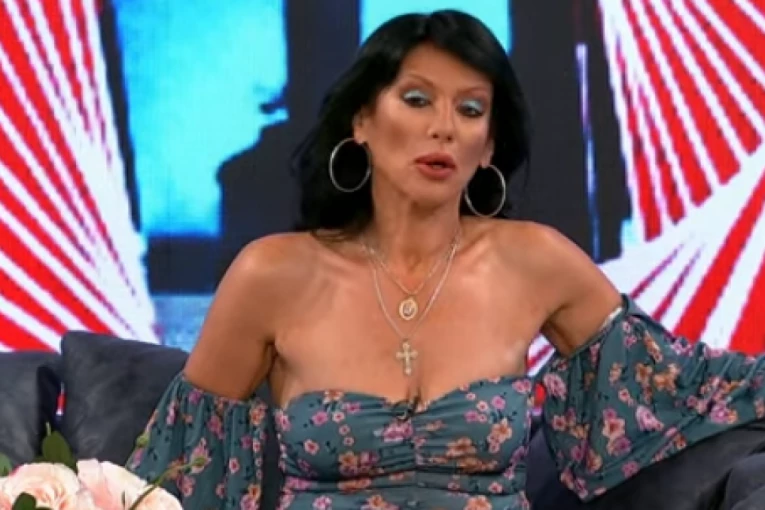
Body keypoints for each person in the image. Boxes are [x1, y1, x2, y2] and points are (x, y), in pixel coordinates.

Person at [127, 9, 765, 510]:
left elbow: (680, 384)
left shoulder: (534, 260)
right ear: (361, 122)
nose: (444, 127)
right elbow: (176, 480)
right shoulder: (271, 274)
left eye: (470, 109)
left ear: (487, 147)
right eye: (416, 99)